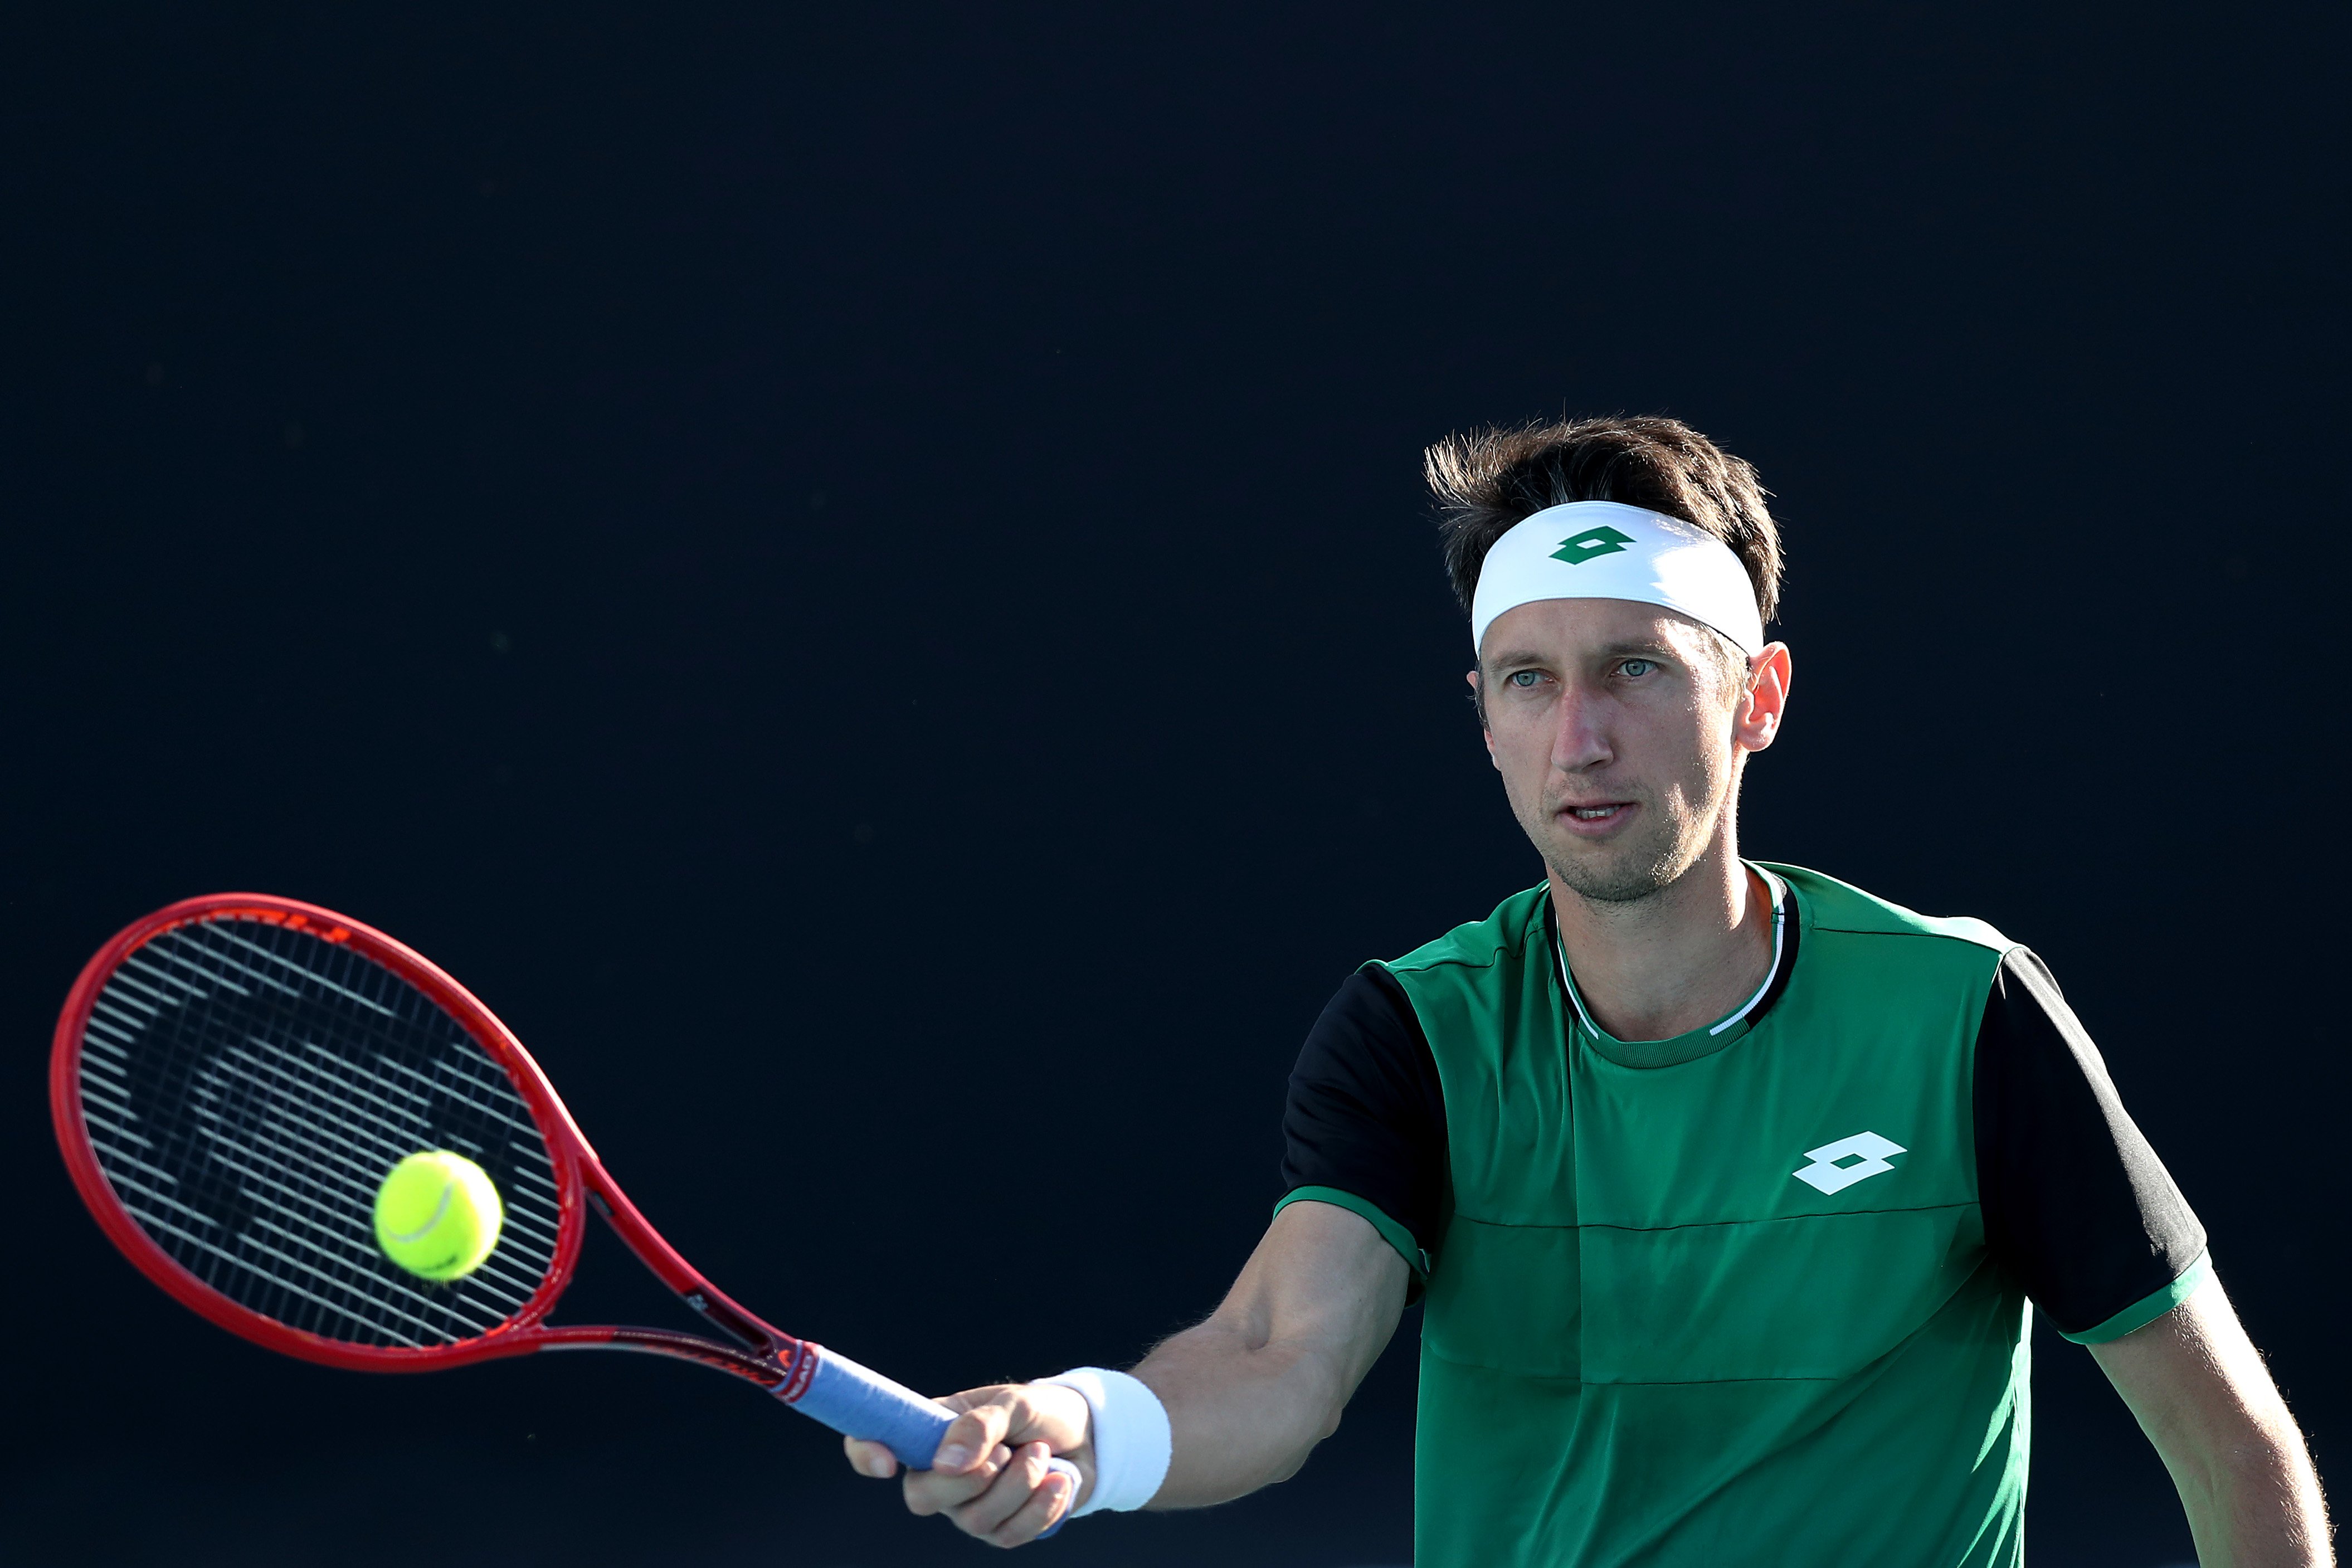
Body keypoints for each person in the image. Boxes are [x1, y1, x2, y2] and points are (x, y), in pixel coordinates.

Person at [842, 416, 2332, 1565]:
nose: (1582, 741)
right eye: (1530, 681)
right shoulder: (1418, 1034)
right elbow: (1275, 1358)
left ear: (1758, 698)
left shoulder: (1963, 1015)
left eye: (1634, 670)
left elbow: (2229, 1453)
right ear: (1482, 719)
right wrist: (1084, 1429)